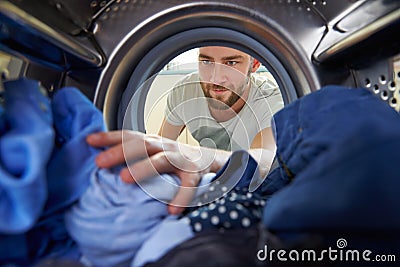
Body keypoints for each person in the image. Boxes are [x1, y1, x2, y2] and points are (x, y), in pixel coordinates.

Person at [87, 46, 284, 214]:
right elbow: (163, 144)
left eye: (231, 63)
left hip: (260, 190)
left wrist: (201, 157)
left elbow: (263, 159)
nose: (216, 78)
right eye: (206, 62)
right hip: (209, 185)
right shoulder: (185, 91)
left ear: (254, 65)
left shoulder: (270, 99)